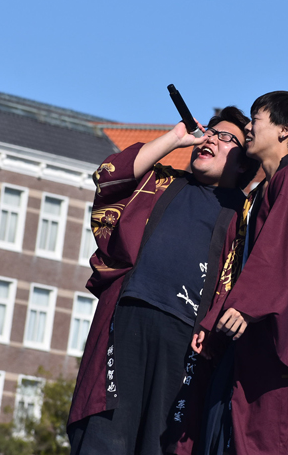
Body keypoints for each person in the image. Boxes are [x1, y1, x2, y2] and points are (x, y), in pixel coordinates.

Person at [67, 106, 259, 455]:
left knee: (162, 443)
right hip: (126, 320)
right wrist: (174, 138)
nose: (211, 139)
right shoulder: (160, 182)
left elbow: (256, 279)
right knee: (104, 436)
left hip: (187, 345)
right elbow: (110, 177)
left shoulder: (246, 217)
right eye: (210, 132)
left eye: (225, 138)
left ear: (244, 163)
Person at [192, 91, 288, 455]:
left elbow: (279, 251)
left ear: (283, 130)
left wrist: (243, 306)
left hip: (278, 342)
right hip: (250, 337)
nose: (248, 127)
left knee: (268, 440)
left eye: (256, 118)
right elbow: (244, 259)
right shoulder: (265, 188)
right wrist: (214, 321)